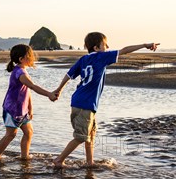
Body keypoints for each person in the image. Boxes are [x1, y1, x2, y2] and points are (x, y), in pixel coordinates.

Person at [52, 32, 159, 168]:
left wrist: (59, 89)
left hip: (81, 102)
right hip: (84, 104)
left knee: (91, 133)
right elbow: (124, 51)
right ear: (96, 48)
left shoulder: (83, 59)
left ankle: (90, 162)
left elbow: (68, 75)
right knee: (81, 137)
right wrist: (144, 45)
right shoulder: (101, 57)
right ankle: (59, 160)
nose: (107, 47)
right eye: (105, 44)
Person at [0, 44, 58, 160]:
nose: (32, 58)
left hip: (22, 110)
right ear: (21, 59)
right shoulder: (19, 73)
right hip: (12, 109)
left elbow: (27, 91)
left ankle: (24, 157)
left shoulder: (23, 71)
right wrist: (49, 94)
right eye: (30, 56)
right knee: (11, 134)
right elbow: (32, 86)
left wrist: (30, 108)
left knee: (29, 132)